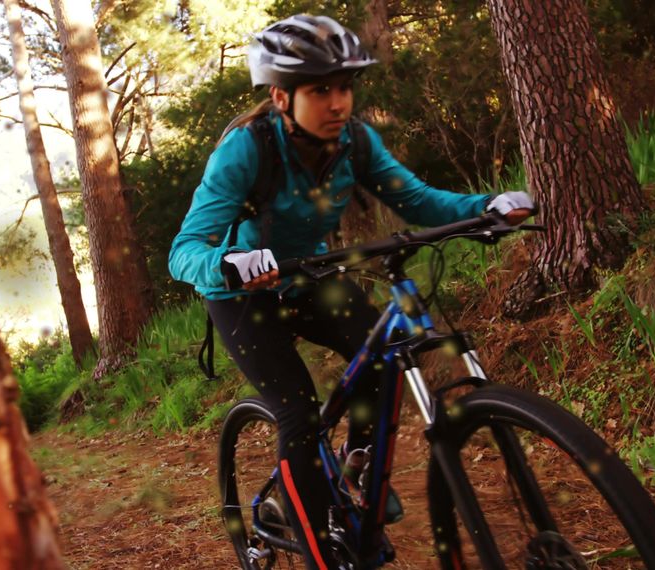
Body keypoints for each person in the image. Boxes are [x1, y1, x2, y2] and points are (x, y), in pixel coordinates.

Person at [168, 14, 534, 569]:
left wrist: (483, 207)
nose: (338, 102)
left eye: (344, 87)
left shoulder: (355, 141)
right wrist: (231, 263)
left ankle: (356, 461)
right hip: (243, 294)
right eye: (320, 90)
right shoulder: (245, 150)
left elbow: (417, 201)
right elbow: (184, 251)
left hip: (309, 278)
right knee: (298, 415)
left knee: (384, 357)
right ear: (281, 97)